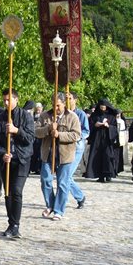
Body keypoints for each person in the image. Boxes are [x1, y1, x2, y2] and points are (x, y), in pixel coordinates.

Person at [0, 89, 35, 238]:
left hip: (22, 159)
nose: (6, 103)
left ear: (16, 100)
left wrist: (16, 130)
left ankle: (15, 224)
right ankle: (11, 223)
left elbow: (30, 138)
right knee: (8, 193)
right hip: (6, 161)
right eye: (4, 100)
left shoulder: (26, 117)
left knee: (16, 191)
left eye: (9, 100)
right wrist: (3, 153)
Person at [47, 92, 82, 221]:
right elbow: (37, 131)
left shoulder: (72, 117)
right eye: (53, 105)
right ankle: (50, 205)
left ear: (63, 104)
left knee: (62, 183)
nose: (55, 108)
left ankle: (59, 210)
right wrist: (49, 129)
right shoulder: (47, 115)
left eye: (58, 105)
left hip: (66, 154)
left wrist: (59, 135)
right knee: (46, 180)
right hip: (50, 153)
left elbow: (76, 135)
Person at [84, 99, 118, 182]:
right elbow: (90, 126)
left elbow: (115, 128)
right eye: (101, 106)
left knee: (108, 156)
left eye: (104, 106)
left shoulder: (111, 116)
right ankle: (100, 176)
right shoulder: (95, 115)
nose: (103, 107)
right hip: (97, 139)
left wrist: (108, 126)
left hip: (107, 139)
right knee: (97, 156)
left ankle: (108, 175)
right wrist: (95, 125)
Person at [29, 102, 44, 174]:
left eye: (39, 108)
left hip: (40, 136)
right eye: (37, 108)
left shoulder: (43, 115)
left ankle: (39, 168)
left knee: (39, 153)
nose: (38, 109)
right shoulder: (32, 114)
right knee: (34, 152)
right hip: (33, 136)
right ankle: (33, 167)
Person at [114, 109, 129, 175]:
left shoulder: (122, 121)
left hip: (121, 138)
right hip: (114, 138)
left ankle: (118, 168)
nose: (118, 115)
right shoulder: (113, 120)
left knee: (119, 154)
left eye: (119, 113)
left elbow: (124, 130)